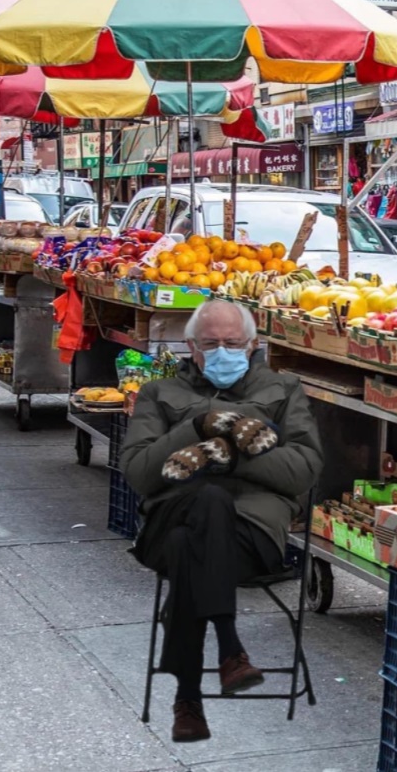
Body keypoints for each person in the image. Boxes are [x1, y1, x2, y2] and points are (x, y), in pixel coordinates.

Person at [121, 300, 323, 742]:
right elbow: (138, 473)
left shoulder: (283, 389)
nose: (222, 352)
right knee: (202, 506)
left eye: (232, 343)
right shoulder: (159, 394)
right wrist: (197, 426)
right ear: (192, 347)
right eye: (211, 344)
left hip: (250, 535)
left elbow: (302, 471)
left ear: (252, 345)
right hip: (169, 516)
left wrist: (228, 458)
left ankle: (187, 700)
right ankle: (229, 647)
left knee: (186, 544)